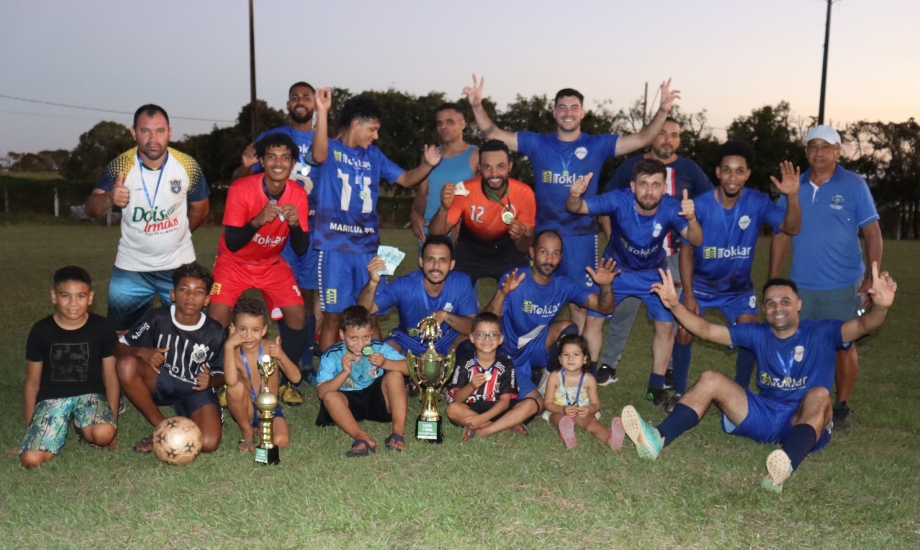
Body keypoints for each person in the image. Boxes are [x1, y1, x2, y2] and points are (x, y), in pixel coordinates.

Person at [463, 74, 680, 375]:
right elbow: (495, 133)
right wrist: (476, 104)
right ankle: (540, 358)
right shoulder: (539, 143)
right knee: (543, 296)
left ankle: (575, 369)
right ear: (554, 113)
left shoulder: (597, 144)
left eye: (574, 107)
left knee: (581, 305)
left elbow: (642, 138)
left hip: (581, 238)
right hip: (545, 237)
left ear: (582, 112)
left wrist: (663, 110)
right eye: (562, 107)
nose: (568, 112)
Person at [621, 265, 896, 493]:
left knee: (820, 394)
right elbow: (706, 330)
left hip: (806, 420)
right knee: (710, 379)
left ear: (799, 305)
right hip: (766, 414)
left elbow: (863, 325)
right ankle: (658, 438)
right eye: (771, 303)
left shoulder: (823, 331)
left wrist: (880, 309)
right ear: (764, 309)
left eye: (785, 301)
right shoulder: (757, 333)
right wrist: (673, 305)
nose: (778, 308)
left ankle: (783, 467)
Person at [671, 141, 802, 407]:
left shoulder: (757, 201)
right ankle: (677, 393)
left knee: (751, 333)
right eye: (727, 170)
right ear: (717, 173)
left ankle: (738, 393)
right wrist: (689, 293)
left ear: (747, 174)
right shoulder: (701, 204)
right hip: (702, 286)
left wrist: (792, 196)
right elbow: (685, 250)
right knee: (685, 332)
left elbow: (792, 227)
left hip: (738, 289)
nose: (733, 177)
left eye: (739, 171)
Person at [769, 125, 883, 429]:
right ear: (806, 152)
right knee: (800, 344)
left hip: (842, 284)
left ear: (837, 151)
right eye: (812, 147)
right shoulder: (795, 185)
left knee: (844, 345)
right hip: (801, 284)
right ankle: (802, 402)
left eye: (826, 146)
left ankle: (842, 405)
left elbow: (872, 232)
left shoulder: (854, 184)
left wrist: (871, 277)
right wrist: (773, 278)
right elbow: (782, 234)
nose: (818, 152)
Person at [566, 158, 702, 406]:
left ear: (664, 188)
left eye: (655, 185)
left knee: (664, 327)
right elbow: (577, 208)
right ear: (632, 186)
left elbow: (696, 239)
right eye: (643, 184)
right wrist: (575, 195)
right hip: (614, 269)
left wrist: (692, 219)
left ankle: (655, 387)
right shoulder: (619, 199)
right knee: (593, 320)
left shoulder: (671, 207)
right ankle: (589, 378)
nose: (649, 191)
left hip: (653, 273)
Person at [312, 94, 442, 352]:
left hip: (368, 249)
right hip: (334, 248)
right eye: (372, 129)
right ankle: (328, 376)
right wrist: (323, 111)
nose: (375, 136)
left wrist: (426, 165)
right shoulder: (331, 150)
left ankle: (378, 374)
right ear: (355, 125)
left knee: (371, 313)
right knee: (333, 318)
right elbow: (318, 154)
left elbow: (405, 179)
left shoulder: (374, 155)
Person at [598, 117, 713, 384]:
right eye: (662, 133)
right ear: (652, 137)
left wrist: (695, 219)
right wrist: (615, 238)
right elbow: (606, 203)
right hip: (627, 257)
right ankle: (608, 364)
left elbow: (710, 202)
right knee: (622, 308)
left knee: (671, 313)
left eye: (674, 135)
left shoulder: (689, 169)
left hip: (672, 256)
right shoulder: (632, 167)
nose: (668, 139)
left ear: (679, 140)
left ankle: (668, 370)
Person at [470, 230, 617, 438]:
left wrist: (606, 287)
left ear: (561, 258)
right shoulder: (516, 278)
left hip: (533, 347)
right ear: (532, 252)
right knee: (531, 403)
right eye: (544, 252)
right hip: (504, 354)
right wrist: (502, 294)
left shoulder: (562, 284)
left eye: (556, 253)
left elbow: (604, 307)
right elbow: (484, 322)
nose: (549, 259)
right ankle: (514, 401)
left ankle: (549, 384)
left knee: (568, 329)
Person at [233, 82, 326, 400]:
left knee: (307, 297)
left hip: (308, 228)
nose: (301, 101)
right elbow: (243, 181)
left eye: (307, 97)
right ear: (288, 103)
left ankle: (302, 364)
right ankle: (261, 361)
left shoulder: (325, 140)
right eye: (295, 97)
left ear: (315, 103)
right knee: (285, 301)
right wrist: (244, 168)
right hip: (273, 232)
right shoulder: (269, 138)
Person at [84, 104, 210, 333]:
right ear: (134, 133)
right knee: (121, 337)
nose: (153, 139)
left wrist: (179, 236)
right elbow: (91, 208)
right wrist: (110, 198)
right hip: (131, 267)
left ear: (169, 133)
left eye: (160, 131)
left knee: (190, 333)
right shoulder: (120, 166)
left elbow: (201, 209)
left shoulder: (187, 166)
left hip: (179, 266)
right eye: (145, 131)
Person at [207, 131, 315, 375]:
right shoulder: (241, 188)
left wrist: (296, 225)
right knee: (216, 319)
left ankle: (287, 376)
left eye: (285, 157)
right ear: (262, 161)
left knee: (298, 316)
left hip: (270, 262)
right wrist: (256, 221)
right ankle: (218, 373)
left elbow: (300, 248)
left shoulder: (297, 194)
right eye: (272, 157)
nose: (278, 163)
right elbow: (233, 243)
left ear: (292, 163)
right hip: (234, 261)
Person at [115, 262, 226, 454]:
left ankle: (188, 417)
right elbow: (117, 346)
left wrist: (212, 380)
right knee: (126, 365)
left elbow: (224, 372)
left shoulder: (214, 331)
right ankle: (162, 429)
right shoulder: (157, 318)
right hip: (160, 380)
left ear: (207, 299)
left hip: (194, 389)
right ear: (173, 294)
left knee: (208, 443)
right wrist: (143, 352)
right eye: (184, 289)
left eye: (199, 292)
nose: (191, 296)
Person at [16, 266, 119, 468]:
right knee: (30, 460)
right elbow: (32, 383)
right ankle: (61, 426)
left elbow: (111, 379)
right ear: (54, 296)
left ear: (90, 298)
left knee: (104, 434)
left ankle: (84, 427)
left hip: (90, 396)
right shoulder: (41, 331)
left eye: (80, 296)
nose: (73, 303)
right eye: (65, 296)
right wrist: (31, 430)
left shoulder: (103, 328)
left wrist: (113, 423)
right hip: (52, 398)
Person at [428, 139, 536, 286]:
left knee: (521, 291)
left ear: (510, 166)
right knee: (453, 293)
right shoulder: (465, 191)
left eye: (501, 166)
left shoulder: (524, 193)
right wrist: (444, 208)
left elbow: (525, 248)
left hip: (507, 251)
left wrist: (519, 238)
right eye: (487, 167)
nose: (494, 173)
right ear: (479, 168)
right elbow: (435, 235)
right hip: (469, 251)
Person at [358, 235, 477, 356]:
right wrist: (373, 281)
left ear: (451, 265)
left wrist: (445, 315)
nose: (436, 266)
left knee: (470, 346)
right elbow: (364, 311)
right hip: (408, 340)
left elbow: (473, 328)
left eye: (442, 260)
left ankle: (457, 373)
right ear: (421, 262)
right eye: (430, 259)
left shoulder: (461, 283)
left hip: (447, 340)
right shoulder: (404, 285)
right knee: (384, 354)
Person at [315, 305, 409, 456]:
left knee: (395, 376)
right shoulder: (332, 354)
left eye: (365, 337)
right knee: (330, 397)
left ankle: (397, 433)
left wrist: (386, 363)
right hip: (348, 401)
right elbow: (321, 392)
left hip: (377, 399)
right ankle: (362, 438)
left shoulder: (378, 348)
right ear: (341, 334)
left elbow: (410, 368)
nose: (360, 344)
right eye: (353, 338)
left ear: (371, 333)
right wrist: (344, 372)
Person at [223, 298, 302, 451]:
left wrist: (281, 356)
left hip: (269, 408)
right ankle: (247, 430)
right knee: (235, 388)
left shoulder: (271, 348)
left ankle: (260, 430)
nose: (248, 336)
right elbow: (231, 382)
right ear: (233, 329)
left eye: (255, 330)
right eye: (242, 329)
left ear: (264, 330)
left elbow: (296, 378)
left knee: (281, 440)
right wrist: (228, 346)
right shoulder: (233, 352)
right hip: (245, 408)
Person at [410, 103, 479, 243]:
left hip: (460, 233)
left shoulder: (476, 155)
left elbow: (483, 196)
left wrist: (466, 222)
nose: (443, 127)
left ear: (463, 124)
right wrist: (414, 214)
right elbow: (422, 194)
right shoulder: (430, 156)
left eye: (449, 122)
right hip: (428, 233)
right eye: (439, 123)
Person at [445, 312, 519, 441]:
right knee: (452, 410)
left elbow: (505, 402)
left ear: (500, 339)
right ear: (472, 338)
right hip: (471, 409)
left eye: (493, 335)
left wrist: (481, 419)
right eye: (480, 334)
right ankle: (503, 428)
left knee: (530, 404)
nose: (487, 339)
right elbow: (457, 399)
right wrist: (471, 385)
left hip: (497, 411)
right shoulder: (464, 363)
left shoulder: (506, 364)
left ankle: (483, 428)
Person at [543, 334, 623, 451]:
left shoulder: (589, 379)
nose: (571, 358)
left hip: (582, 412)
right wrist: (562, 409)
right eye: (566, 355)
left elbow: (596, 404)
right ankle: (566, 432)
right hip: (558, 411)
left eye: (576, 354)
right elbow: (548, 403)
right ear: (560, 359)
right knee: (561, 419)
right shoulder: (555, 377)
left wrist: (589, 410)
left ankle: (610, 440)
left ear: (585, 358)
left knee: (593, 423)